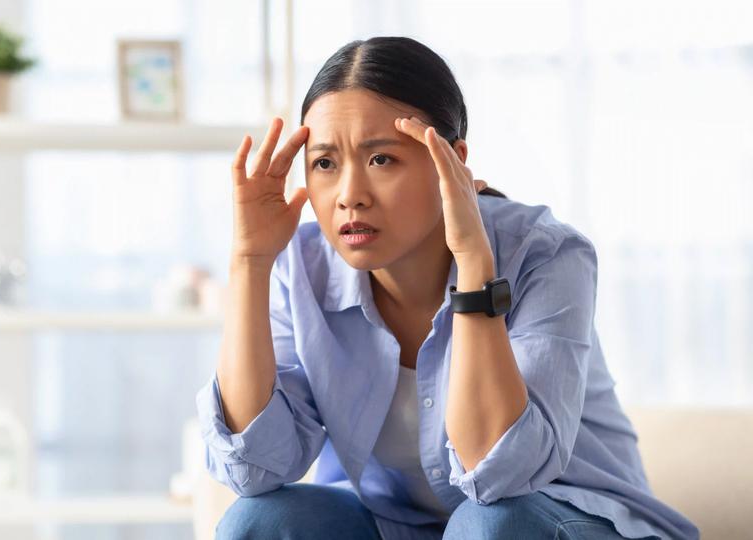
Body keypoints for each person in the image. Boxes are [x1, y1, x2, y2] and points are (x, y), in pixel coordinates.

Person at [196, 36, 699, 540]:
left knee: (490, 524)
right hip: (396, 524)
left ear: (454, 161)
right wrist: (250, 262)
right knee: (256, 521)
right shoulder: (300, 268)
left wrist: (474, 263)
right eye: (325, 164)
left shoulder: (545, 254)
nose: (349, 196)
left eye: (381, 160)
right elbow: (256, 468)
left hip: (557, 519)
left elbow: (499, 473)